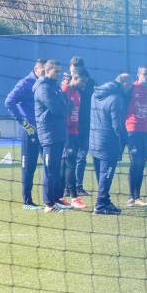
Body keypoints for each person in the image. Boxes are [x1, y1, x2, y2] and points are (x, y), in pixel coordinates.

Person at [89, 74, 132, 215]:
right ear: (125, 84)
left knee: (101, 175)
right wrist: (125, 140)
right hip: (108, 143)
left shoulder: (95, 95)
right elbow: (117, 126)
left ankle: (105, 201)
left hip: (94, 141)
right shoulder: (116, 99)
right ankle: (100, 205)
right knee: (106, 175)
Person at [5, 59, 45, 210]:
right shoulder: (25, 83)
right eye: (43, 71)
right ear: (36, 69)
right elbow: (9, 102)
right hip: (31, 132)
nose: (44, 74)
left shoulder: (45, 84)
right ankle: (27, 201)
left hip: (45, 131)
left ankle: (52, 200)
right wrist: (24, 123)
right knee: (29, 166)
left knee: (51, 165)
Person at [33, 60, 71, 213]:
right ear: (47, 71)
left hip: (58, 132)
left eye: (60, 71)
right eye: (56, 71)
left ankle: (55, 199)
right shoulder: (43, 88)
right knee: (49, 169)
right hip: (48, 134)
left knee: (55, 169)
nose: (59, 74)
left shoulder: (54, 87)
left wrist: (64, 106)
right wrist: (64, 106)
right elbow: (57, 109)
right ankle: (48, 204)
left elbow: (69, 104)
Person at [61, 68, 89, 209]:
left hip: (74, 132)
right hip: (65, 133)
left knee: (66, 164)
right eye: (82, 81)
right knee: (70, 163)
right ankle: (74, 197)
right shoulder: (65, 90)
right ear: (75, 78)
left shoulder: (78, 93)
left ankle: (60, 196)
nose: (84, 84)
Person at [125, 64, 147, 207]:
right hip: (133, 130)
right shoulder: (130, 89)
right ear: (138, 74)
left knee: (142, 163)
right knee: (135, 162)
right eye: (145, 74)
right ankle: (131, 196)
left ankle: (138, 197)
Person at [69, 56, 95, 196]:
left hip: (84, 124)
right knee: (69, 157)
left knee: (81, 156)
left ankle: (78, 186)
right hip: (70, 126)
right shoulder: (66, 85)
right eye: (72, 69)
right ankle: (68, 187)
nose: (73, 71)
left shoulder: (89, 83)